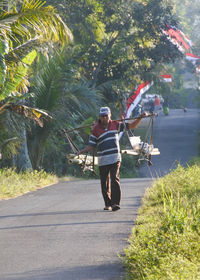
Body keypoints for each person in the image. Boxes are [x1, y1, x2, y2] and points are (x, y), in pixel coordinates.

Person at [76, 107, 145, 212]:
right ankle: (107, 204)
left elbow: (131, 126)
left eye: (106, 116)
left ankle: (115, 203)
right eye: (102, 116)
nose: (104, 118)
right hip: (103, 160)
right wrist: (80, 152)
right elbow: (91, 146)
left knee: (115, 179)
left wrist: (140, 117)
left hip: (115, 158)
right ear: (99, 117)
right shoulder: (95, 129)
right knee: (104, 182)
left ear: (110, 116)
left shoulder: (116, 125)